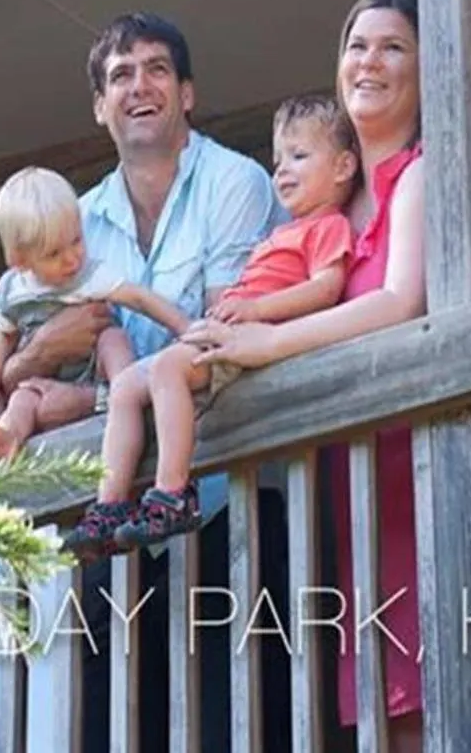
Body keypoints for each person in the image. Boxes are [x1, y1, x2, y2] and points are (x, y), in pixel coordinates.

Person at [183, 0, 471, 753]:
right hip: (365, 476)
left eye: (393, 47)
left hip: (438, 454)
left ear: (426, 70)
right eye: (357, 45)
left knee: (457, 683)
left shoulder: (420, 174)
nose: (370, 61)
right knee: (389, 701)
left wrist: (270, 345)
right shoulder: (325, 208)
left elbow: (398, 301)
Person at [18, 13, 287, 753]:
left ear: (187, 93)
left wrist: (94, 395)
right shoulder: (77, 221)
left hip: (229, 499)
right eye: (121, 75)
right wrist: (41, 350)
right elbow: (18, 369)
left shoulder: (234, 183)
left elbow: (217, 341)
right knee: (112, 728)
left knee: (237, 725)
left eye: (157, 69)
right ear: (99, 107)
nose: (140, 86)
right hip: (117, 522)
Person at [60, 93, 357, 556]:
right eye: (278, 160)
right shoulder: (282, 233)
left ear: (342, 167)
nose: (282, 170)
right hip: (221, 333)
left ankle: (173, 493)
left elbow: (326, 288)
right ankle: (109, 505)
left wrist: (256, 309)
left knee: (166, 369)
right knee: (125, 387)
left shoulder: (329, 226)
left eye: (299, 156)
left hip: (246, 341)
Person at [0, 166, 192, 459]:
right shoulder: (12, 291)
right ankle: (8, 437)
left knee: (113, 338)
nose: (72, 259)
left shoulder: (89, 276)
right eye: (54, 253)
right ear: (20, 261)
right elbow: (5, 334)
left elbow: (138, 298)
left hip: (95, 374)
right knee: (22, 401)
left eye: (76, 240)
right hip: (48, 385)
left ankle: (126, 390)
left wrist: (184, 326)